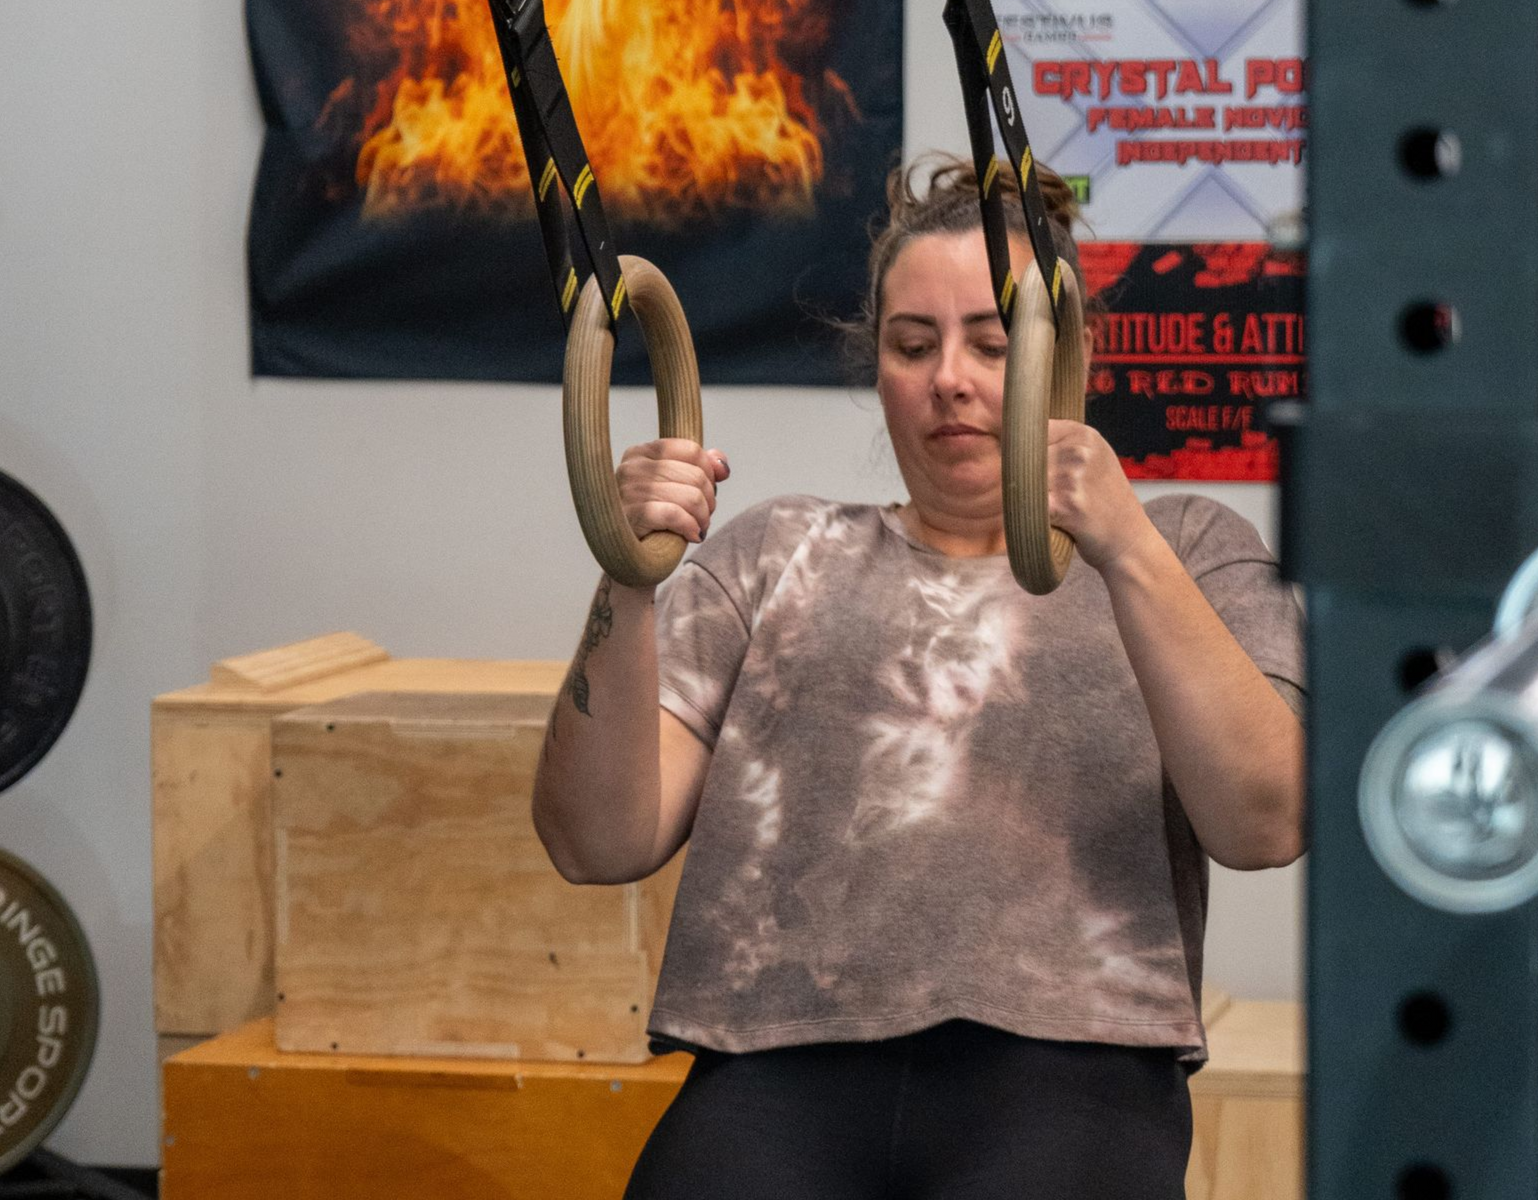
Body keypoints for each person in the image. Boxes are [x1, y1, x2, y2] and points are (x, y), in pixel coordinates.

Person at [530, 154, 1306, 1200]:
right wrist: (624, 575)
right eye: (913, 344)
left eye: (992, 342)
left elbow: (1265, 822)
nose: (950, 377)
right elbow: (595, 839)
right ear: (878, 366)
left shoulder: (1188, 550)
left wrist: (1121, 541)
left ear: (1061, 356)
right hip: (774, 1058)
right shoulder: (777, 551)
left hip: (1070, 1065)